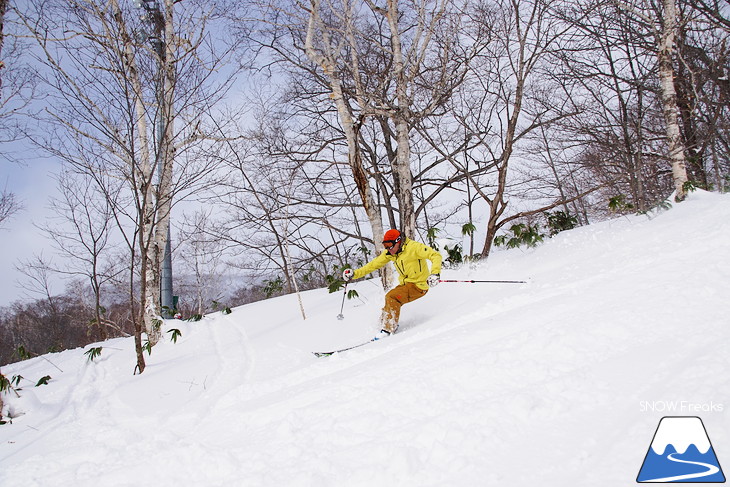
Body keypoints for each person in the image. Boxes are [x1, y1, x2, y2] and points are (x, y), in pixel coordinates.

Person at [342, 229, 442, 339]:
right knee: (388, 300)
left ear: (398, 241)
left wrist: (435, 273)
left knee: (392, 297)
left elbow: (435, 255)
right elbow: (373, 265)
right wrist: (354, 274)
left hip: (419, 286)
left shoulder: (414, 247)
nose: (388, 249)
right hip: (405, 285)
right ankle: (382, 324)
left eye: (390, 245)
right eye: (385, 246)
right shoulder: (391, 253)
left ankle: (388, 329)